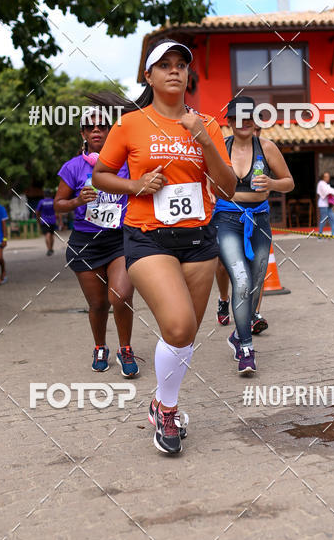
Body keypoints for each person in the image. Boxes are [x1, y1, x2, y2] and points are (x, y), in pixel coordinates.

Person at [92, 39, 236, 456]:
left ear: (189, 76)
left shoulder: (206, 123)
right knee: (176, 325)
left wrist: (203, 139)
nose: (175, 70)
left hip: (198, 240)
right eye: (165, 64)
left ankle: (161, 403)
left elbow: (227, 187)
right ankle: (168, 409)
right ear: (148, 76)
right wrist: (134, 185)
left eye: (181, 65)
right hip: (146, 237)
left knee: (187, 332)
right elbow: (101, 174)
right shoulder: (130, 125)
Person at [212, 97, 294, 375]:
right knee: (242, 280)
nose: (244, 121)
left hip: (259, 220)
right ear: (230, 121)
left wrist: (271, 182)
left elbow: (289, 182)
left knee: (256, 284)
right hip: (227, 219)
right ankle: (246, 347)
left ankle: (238, 333)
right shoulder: (220, 148)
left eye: (250, 116)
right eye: (238, 116)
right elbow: (204, 181)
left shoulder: (267, 148)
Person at [54, 111, 139, 378]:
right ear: (83, 134)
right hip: (86, 243)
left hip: (120, 240)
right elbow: (57, 205)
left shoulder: (127, 163)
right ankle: (100, 347)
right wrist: (78, 201)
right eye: (89, 128)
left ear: (110, 131)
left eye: (102, 126)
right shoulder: (73, 168)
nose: (96, 131)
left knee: (121, 296)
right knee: (98, 304)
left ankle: (125, 348)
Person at [35, 189, 57, 255]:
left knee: (47, 234)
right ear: (50, 195)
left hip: (44, 220)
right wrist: (60, 221)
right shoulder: (53, 201)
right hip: (53, 220)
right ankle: (51, 248)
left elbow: (37, 212)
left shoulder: (41, 202)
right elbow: (58, 211)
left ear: (44, 195)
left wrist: (38, 220)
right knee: (52, 235)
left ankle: (49, 249)